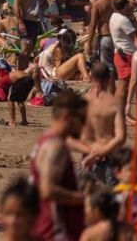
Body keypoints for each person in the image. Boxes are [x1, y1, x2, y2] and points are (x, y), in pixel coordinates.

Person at [30, 92, 87, 240]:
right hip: (55, 231)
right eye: (82, 119)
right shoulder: (56, 147)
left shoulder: (45, 140)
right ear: (67, 117)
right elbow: (47, 190)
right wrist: (83, 198)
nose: (83, 125)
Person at [81, 62, 126, 186]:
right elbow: (120, 138)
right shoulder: (115, 104)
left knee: (87, 199)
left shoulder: (83, 102)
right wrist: (101, 151)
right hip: (108, 158)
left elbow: (74, 136)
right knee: (111, 200)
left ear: (90, 76)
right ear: (109, 79)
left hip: (88, 157)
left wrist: (92, 152)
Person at [14, 0, 47, 72]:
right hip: (26, 22)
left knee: (29, 50)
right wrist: (20, 22)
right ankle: (20, 72)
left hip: (35, 22)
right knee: (25, 50)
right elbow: (15, 4)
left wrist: (40, 1)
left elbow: (45, 5)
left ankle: (23, 72)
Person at [109, 0, 136, 111]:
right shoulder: (122, 19)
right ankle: (119, 112)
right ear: (124, 5)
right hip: (126, 54)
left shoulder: (114, 17)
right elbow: (135, 36)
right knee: (123, 86)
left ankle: (121, 112)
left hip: (122, 53)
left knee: (124, 85)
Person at [87, 0, 115, 91]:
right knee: (114, 67)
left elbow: (93, 25)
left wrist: (89, 43)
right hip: (116, 37)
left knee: (108, 68)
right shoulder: (115, 1)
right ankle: (112, 92)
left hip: (105, 37)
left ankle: (109, 93)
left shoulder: (98, 4)